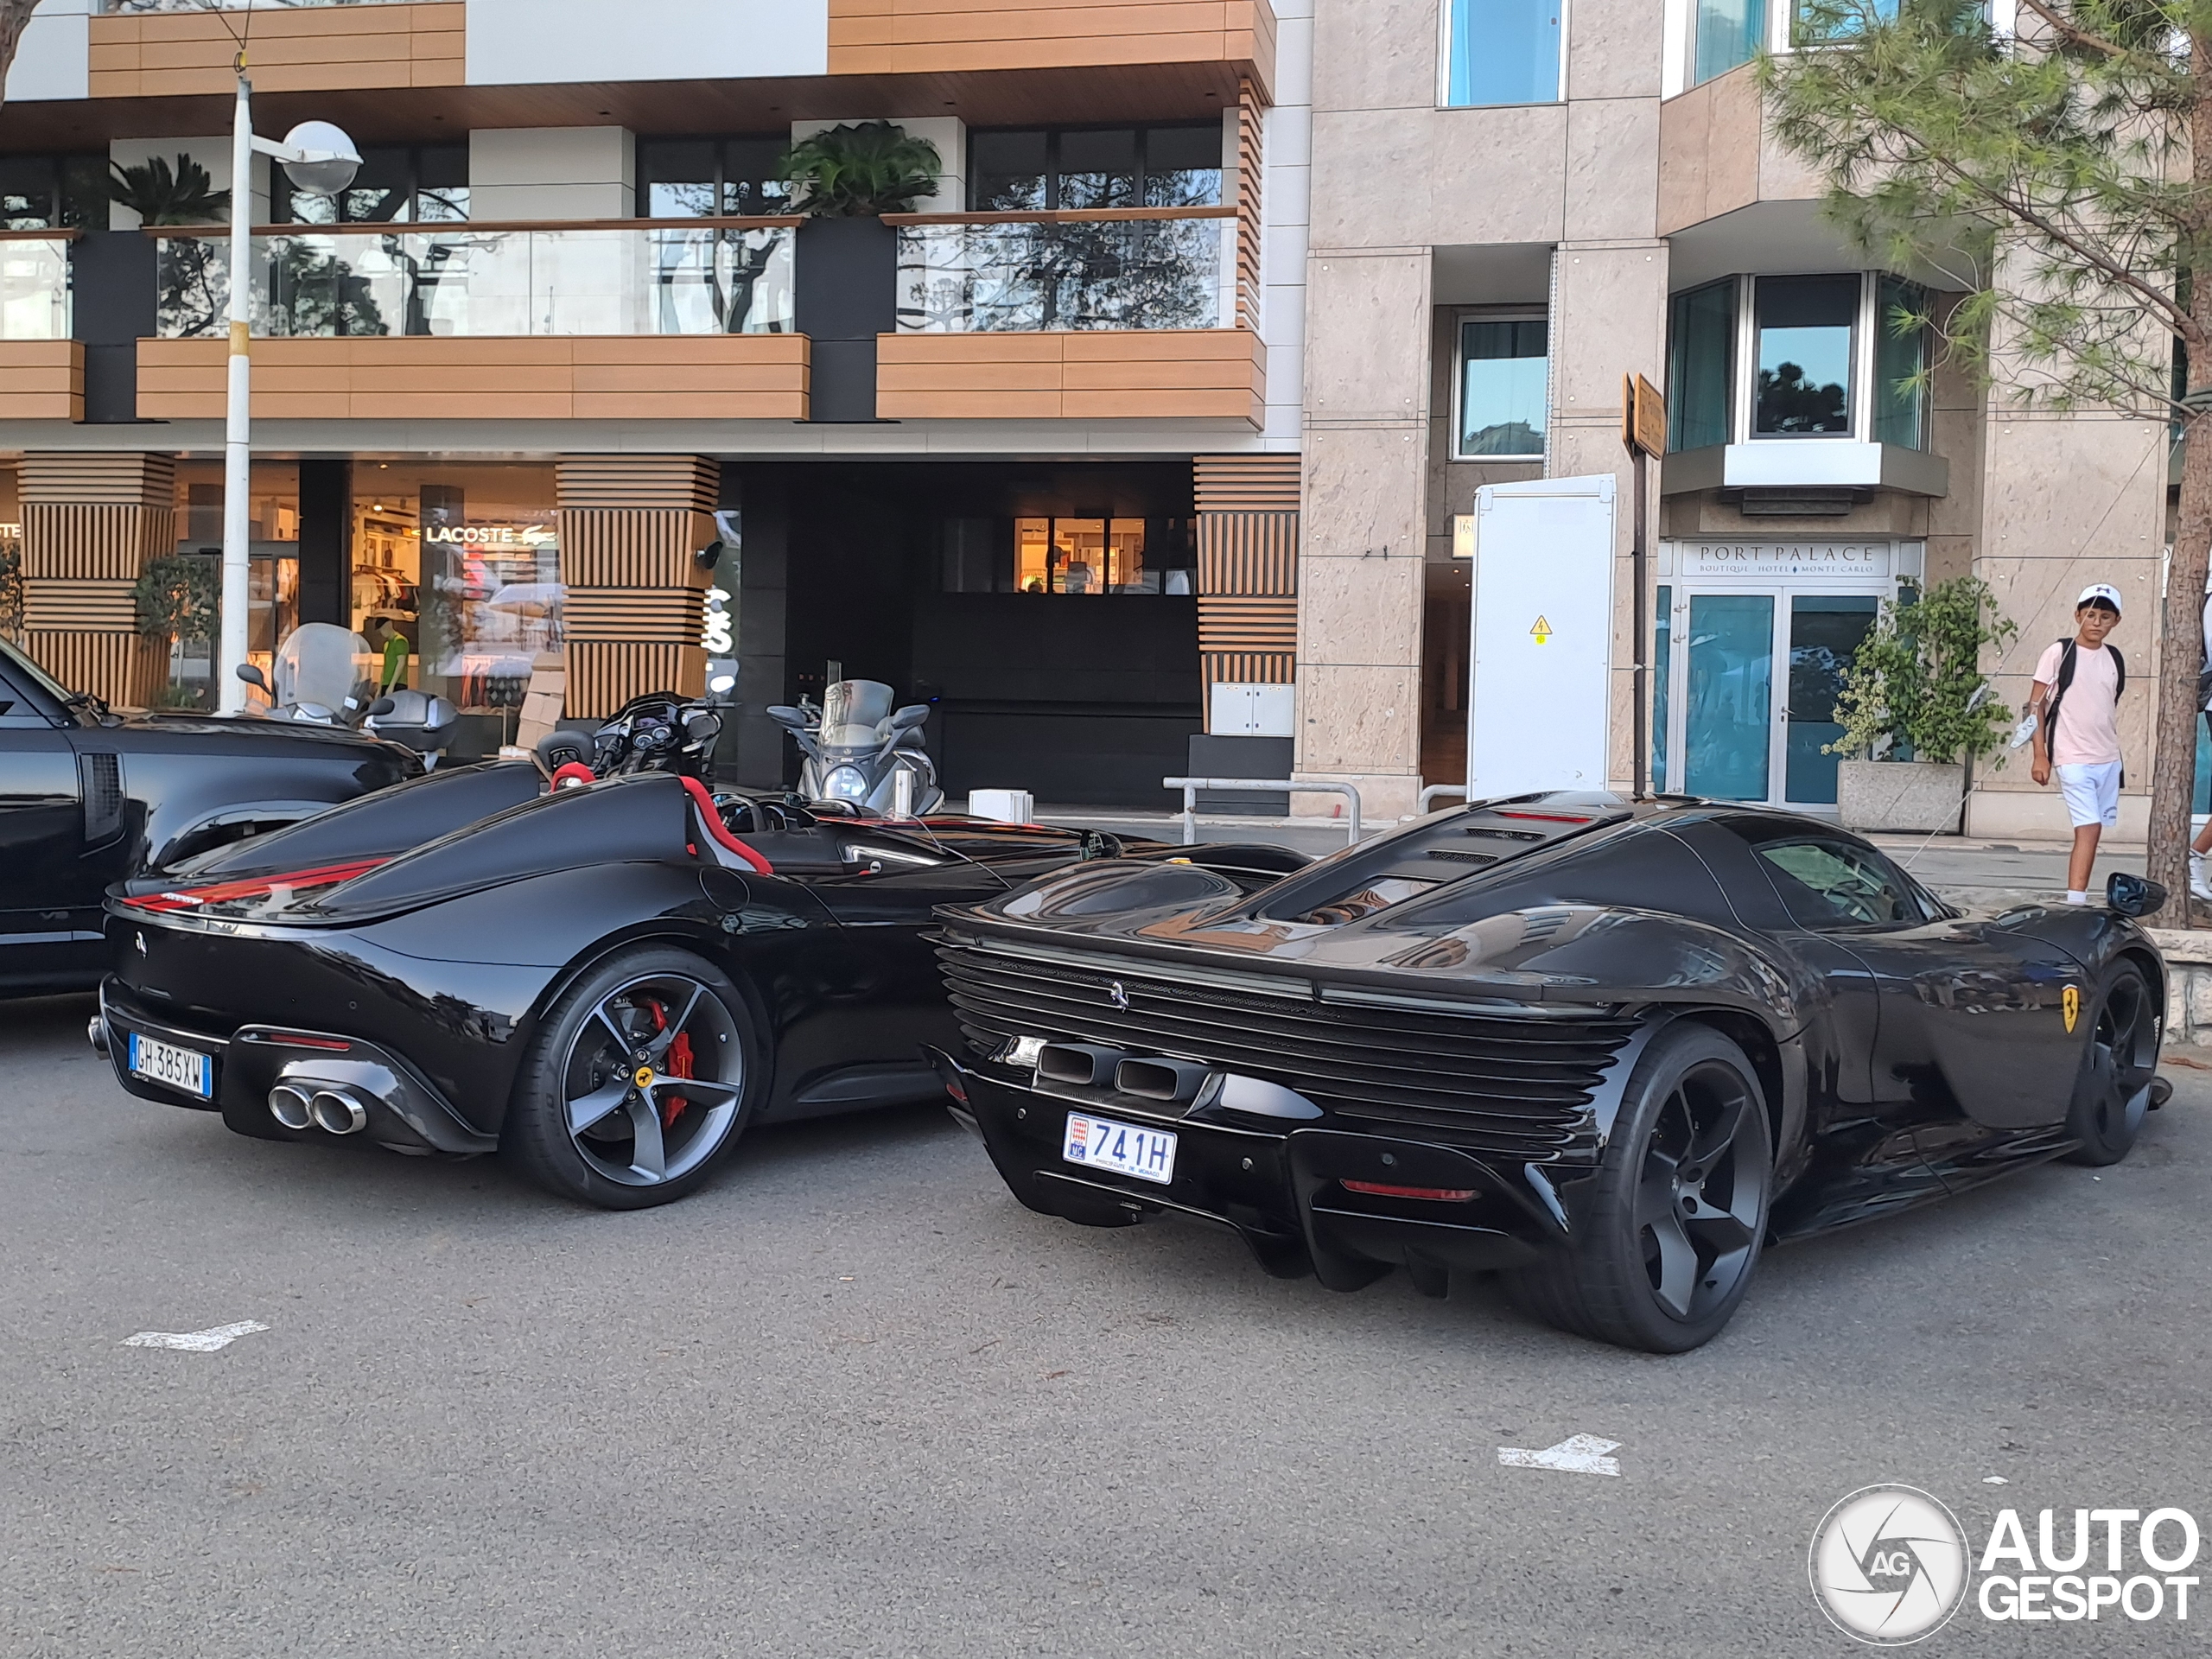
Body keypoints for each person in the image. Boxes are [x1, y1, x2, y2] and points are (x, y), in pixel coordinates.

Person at [2028, 584, 2126, 906]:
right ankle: (2075, 901)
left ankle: (2079, 895)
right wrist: (2040, 754)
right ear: (2078, 615)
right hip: (2071, 756)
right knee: (2089, 827)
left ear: (2116, 621)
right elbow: (2036, 705)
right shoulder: (2059, 653)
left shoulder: (2114, 658)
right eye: (2091, 614)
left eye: (2105, 616)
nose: (2096, 622)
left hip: (2108, 758)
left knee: (2096, 828)